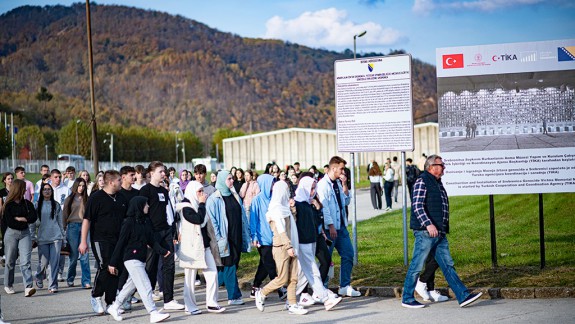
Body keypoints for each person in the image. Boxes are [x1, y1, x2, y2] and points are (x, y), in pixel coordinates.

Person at [401, 155, 483, 309]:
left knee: (447, 265)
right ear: (431, 166)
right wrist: (428, 225)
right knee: (416, 266)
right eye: (441, 165)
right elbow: (417, 206)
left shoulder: (437, 183)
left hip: (439, 232)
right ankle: (407, 298)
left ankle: (463, 296)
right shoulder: (422, 181)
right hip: (426, 232)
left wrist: (442, 228)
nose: (444, 167)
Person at [106, 197, 171, 323]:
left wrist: (163, 251)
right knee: (145, 285)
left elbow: (152, 240)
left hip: (141, 259)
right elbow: (121, 242)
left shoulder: (145, 221)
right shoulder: (128, 222)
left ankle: (114, 307)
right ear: (139, 206)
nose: (148, 206)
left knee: (130, 287)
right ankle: (153, 312)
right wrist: (113, 262)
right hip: (131, 258)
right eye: (146, 204)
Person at [78, 170, 129, 315]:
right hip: (100, 239)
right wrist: (83, 241)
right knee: (104, 266)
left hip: (117, 240)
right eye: (119, 180)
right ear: (111, 182)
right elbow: (87, 220)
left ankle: (111, 302)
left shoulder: (121, 198)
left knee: (115, 269)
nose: (121, 182)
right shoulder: (96, 198)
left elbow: (126, 219)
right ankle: (96, 296)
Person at [254, 181, 307, 315]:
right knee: (283, 278)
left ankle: (292, 304)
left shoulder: (284, 207)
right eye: (286, 190)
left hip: (291, 245)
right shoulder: (275, 208)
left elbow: (292, 225)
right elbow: (281, 230)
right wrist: (288, 246)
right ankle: (262, 292)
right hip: (281, 247)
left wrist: (293, 210)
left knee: (293, 277)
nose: (288, 192)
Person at [139, 161, 184, 311]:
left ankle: (168, 299)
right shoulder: (145, 191)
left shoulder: (164, 191)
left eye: (164, 172)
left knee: (169, 266)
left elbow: (169, 213)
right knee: (150, 267)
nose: (164, 174)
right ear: (151, 173)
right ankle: (146, 295)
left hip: (165, 232)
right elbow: (141, 215)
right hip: (152, 234)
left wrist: (173, 232)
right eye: (161, 172)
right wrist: (145, 236)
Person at [293, 176, 342, 311]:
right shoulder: (297, 204)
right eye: (311, 188)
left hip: (312, 239)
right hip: (303, 242)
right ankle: (325, 298)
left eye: (314, 188)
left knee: (304, 273)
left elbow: (315, 221)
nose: (313, 191)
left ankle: (289, 297)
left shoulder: (308, 202)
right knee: (313, 271)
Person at [177, 181, 226, 314]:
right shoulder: (186, 207)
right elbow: (197, 219)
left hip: (204, 246)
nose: (202, 194)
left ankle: (211, 302)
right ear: (192, 191)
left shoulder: (198, 205)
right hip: (192, 248)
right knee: (190, 278)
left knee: (212, 273)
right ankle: (190, 306)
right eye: (199, 192)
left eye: (202, 191)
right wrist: (202, 204)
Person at [316, 156, 360, 297]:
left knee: (348, 254)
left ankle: (344, 285)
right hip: (330, 229)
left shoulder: (337, 183)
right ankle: (322, 288)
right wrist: (331, 225)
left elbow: (346, 201)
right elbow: (324, 207)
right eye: (341, 168)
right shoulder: (323, 185)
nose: (343, 171)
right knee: (326, 260)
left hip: (341, 227)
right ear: (333, 168)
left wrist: (345, 184)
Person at [206, 171, 251, 306]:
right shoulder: (214, 199)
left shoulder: (234, 195)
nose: (232, 181)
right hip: (224, 238)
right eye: (229, 179)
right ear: (221, 180)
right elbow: (212, 221)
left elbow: (242, 215)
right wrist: (219, 238)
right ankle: (234, 296)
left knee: (230, 265)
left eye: (232, 178)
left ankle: (214, 283)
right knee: (229, 265)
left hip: (237, 236)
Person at [248, 174, 286, 300]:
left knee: (264, 264)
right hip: (262, 238)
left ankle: (255, 287)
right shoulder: (257, 200)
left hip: (274, 237)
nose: (273, 185)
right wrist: (254, 236)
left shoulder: (274, 198)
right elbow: (253, 220)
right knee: (270, 264)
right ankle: (280, 289)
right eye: (271, 183)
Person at [3, 179, 37, 296]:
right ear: (18, 189)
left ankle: (28, 287)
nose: (25, 190)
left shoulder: (27, 203)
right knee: (10, 261)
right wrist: (23, 220)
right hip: (11, 234)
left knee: (25, 261)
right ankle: (8, 284)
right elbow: (10, 222)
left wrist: (23, 219)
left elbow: (33, 217)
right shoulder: (9, 205)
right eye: (23, 188)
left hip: (25, 234)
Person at [31, 183, 65, 293]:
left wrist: (63, 237)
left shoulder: (56, 205)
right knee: (43, 263)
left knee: (54, 263)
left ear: (52, 191)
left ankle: (53, 285)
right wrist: (32, 237)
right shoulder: (37, 205)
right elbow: (32, 223)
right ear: (41, 192)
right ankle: (39, 276)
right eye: (44, 189)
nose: (47, 191)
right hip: (42, 238)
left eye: (49, 189)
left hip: (56, 237)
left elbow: (60, 222)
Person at [62, 178, 91, 289]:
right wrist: (64, 229)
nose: (81, 188)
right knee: (73, 257)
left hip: (85, 226)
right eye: (79, 185)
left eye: (83, 186)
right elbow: (65, 215)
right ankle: (70, 278)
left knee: (85, 256)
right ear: (75, 186)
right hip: (72, 227)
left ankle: (86, 281)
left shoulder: (87, 199)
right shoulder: (69, 199)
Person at [50, 169, 71, 282]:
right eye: (56, 177)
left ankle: (59, 272)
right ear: (51, 178)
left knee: (61, 249)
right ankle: (51, 270)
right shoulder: (47, 189)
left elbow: (69, 206)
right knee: (51, 248)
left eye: (59, 177)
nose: (58, 179)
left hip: (62, 222)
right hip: (49, 222)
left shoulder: (66, 190)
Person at [0, 172, 14, 267]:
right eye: (8, 179)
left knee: (13, 238)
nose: (11, 180)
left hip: (14, 218)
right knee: (5, 236)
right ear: (5, 180)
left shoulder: (15, 190)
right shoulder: (1, 192)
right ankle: (4, 255)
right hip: (4, 218)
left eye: (12, 178)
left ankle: (11, 255)